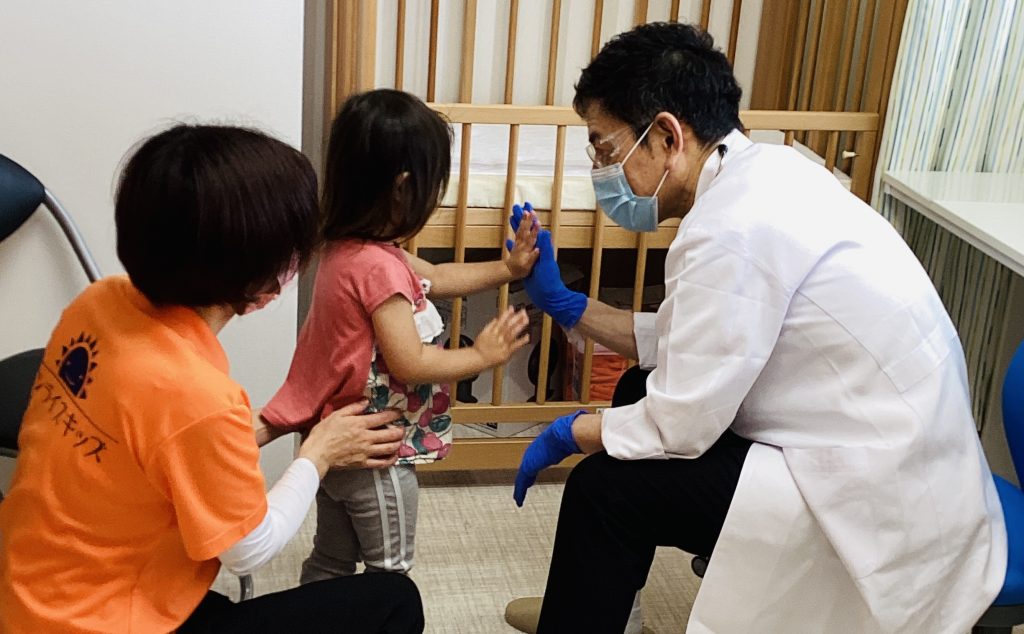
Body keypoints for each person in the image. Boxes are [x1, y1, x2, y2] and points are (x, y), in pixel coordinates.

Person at [506, 22, 1006, 634]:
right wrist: (564, 304)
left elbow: (680, 424)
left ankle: (584, 617)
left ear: (666, 136)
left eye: (605, 150)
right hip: (888, 444)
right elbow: (684, 341)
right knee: (637, 388)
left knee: (602, 492)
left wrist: (569, 430)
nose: (602, 171)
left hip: (873, 490)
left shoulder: (730, 228)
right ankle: (598, 609)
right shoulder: (768, 172)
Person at [0, 124, 424, 633]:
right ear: (263, 283)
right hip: (102, 621)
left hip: (26, 592)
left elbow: (156, 438)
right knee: (396, 600)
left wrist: (277, 423)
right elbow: (250, 549)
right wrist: (319, 454)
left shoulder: (98, 303)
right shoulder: (198, 395)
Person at [259, 89, 537, 584]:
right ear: (404, 188)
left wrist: (508, 269)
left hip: (338, 447)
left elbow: (438, 276)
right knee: (389, 574)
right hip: (378, 457)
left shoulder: (348, 249)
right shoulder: (378, 268)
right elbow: (410, 361)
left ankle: (315, 615)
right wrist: (481, 354)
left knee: (330, 561)